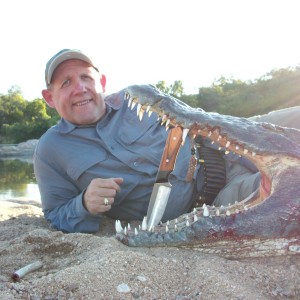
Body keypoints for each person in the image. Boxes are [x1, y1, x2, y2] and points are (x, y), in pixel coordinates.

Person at [34, 49, 298, 233]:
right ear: (49, 97)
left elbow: (199, 119)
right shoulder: (50, 150)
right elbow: (56, 214)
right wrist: (83, 204)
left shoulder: (136, 98)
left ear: (101, 82)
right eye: (66, 82)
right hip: (217, 198)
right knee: (290, 188)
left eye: (86, 78)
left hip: (231, 141)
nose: (80, 88)